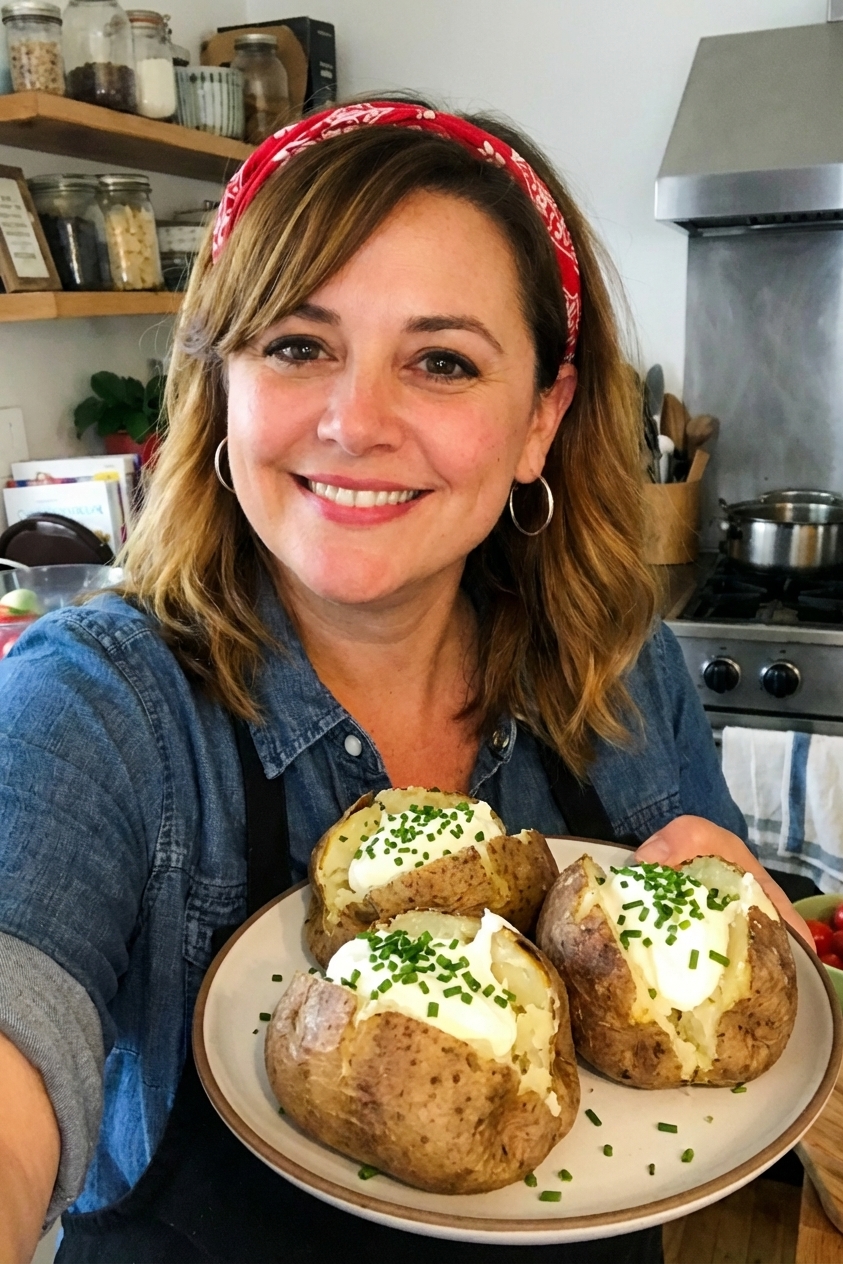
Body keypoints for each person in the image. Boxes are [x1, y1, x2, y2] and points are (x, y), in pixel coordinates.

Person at [0, 100, 809, 1264]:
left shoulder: (624, 668)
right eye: (296, 343)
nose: (354, 420)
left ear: (541, 418)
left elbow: (711, 1050)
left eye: (441, 361)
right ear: (222, 388)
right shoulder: (92, 707)